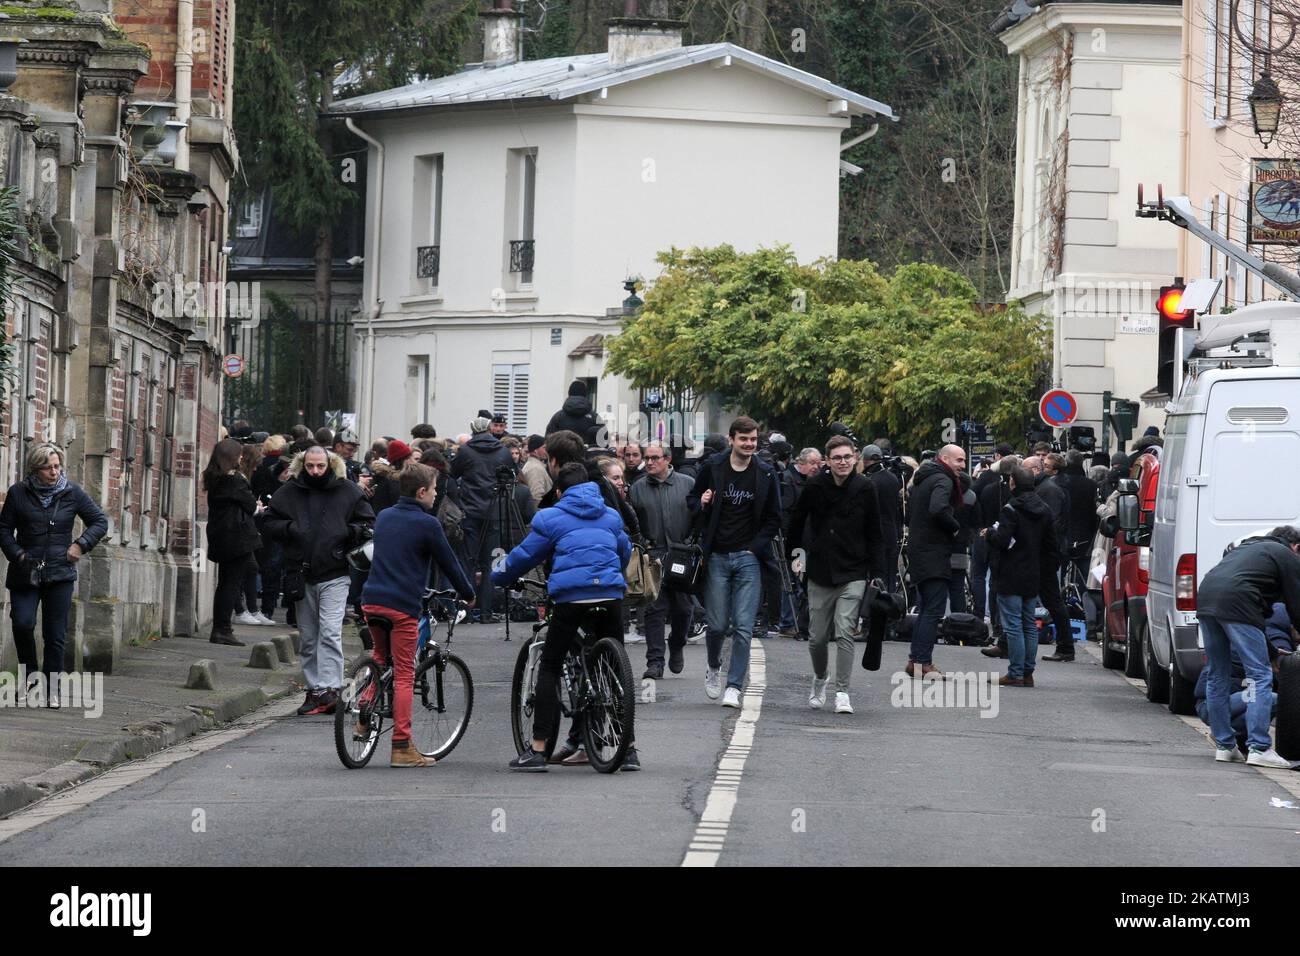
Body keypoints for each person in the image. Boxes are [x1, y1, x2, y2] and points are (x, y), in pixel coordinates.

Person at [493, 463, 633, 772]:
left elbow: (524, 556)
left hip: (571, 597)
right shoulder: (610, 515)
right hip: (610, 596)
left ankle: (539, 748)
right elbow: (625, 551)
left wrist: (499, 575)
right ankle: (628, 747)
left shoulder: (550, 518)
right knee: (611, 668)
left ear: (559, 492)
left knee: (551, 664)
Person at [360, 462, 476, 767]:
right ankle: (401, 746)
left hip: (372, 600)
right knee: (403, 673)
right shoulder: (428, 524)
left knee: (379, 657)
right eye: (435, 489)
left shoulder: (384, 516)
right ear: (422, 491)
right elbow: (449, 562)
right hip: (401, 606)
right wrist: (468, 593)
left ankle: (363, 714)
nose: (437, 495)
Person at [263, 446, 374, 716]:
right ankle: (316, 690)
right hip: (301, 573)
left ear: (330, 465)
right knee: (310, 637)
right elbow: (268, 521)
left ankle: (332, 688)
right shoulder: (289, 491)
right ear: (303, 465)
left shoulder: (347, 490)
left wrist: (347, 532)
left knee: (330, 632)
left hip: (335, 572)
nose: (315, 471)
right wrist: (291, 529)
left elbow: (368, 522)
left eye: (320, 466)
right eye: (310, 466)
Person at [0, 443, 108, 705]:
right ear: (35, 469)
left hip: (60, 572)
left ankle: (52, 689)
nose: (54, 472)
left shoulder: (72, 493)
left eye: (57, 466)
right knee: (23, 623)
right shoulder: (18, 493)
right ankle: (30, 676)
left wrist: (80, 545)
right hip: (26, 572)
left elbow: (100, 521)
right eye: (48, 467)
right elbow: (3, 530)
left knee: (55, 634)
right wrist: (19, 554)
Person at [688, 416, 782, 708]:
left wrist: (755, 548)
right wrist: (701, 502)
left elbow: (775, 517)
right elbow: (691, 500)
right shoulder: (713, 467)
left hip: (748, 558)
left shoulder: (765, 473)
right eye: (744, 439)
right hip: (716, 555)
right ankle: (714, 665)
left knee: (743, 627)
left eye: (753, 439)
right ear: (731, 440)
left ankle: (734, 685)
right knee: (717, 625)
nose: (749, 444)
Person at [788, 436, 885, 714]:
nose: (842, 462)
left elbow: (875, 533)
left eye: (847, 457)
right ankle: (820, 678)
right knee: (817, 637)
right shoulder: (815, 486)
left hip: (854, 570)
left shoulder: (866, 488)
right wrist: (795, 557)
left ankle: (842, 691)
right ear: (827, 461)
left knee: (845, 632)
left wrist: (878, 573)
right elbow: (795, 523)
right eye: (837, 458)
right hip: (819, 570)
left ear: (855, 458)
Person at [1198, 526, 1300, 768]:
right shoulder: (1285, 555)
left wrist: (1273, 652)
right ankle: (1259, 747)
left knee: (1217, 674)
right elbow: (1296, 603)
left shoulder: (1249, 549)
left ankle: (1225, 746)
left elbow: (1256, 618)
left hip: (1206, 599)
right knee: (1259, 675)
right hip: (1237, 602)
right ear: (1296, 547)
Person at [985, 463, 1058, 687]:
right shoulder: (1044, 509)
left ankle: (1015, 672)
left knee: (1013, 624)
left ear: (1012, 482)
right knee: (1029, 623)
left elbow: (1003, 541)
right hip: (1032, 572)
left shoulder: (1011, 509)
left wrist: (990, 533)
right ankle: (1027, 672)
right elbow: (1051, 545)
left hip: (1010, 571)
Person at [629, 440, 695, 679]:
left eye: (655, 458)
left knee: (683, 609)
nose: (649, 463)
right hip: (653, 556)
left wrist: (690, 543)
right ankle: (655, 662)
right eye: (647, 458)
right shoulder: (637, 488)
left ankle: (677, 644)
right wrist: (642, 546)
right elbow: (632, 520)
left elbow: (698, 515)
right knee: (653, 610)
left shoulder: (687, 484)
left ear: (667, 460)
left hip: (681, 556)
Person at [906, 444, 968, 678]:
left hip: (920, 549)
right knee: (932, 610)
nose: (962, 466)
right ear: (944, 458)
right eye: (959, 460)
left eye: (963, 461)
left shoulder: (923, 478)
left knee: (925, 609)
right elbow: (939, 508)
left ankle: (916, 660)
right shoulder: (944, 480)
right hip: (933, 552)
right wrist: (954, 527)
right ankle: (923, 662)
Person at [450, 416, 515, 621]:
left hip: (470, 511)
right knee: (492, 563)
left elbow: (453, 473)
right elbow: (512, 475)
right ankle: (487, 611)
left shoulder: (466, 451)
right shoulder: (503, 451)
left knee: (468, 561)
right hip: (495, 512)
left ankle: (466, 610)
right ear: (489, 429)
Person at [203, 439, 266, 643]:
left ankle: (221, 628)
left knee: (226, 583)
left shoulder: (214, 477)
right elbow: (251, 507)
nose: (241, 457)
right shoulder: (235, 480)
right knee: (231, 584)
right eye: (238, 454)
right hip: (237, 538)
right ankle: (223, 629)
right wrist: (258, 507)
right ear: (231, 457)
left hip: (221, 535)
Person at [863, 444, 903, 593]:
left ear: (866, 461)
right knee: (890, 575)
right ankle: (891, 607)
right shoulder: (892, 478)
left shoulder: (870, 481)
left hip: (876, 535)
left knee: (878, 577)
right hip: (891, 531)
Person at [545, 380, 602, 445]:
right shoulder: (595, 417)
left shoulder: (558, 417)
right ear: (585, 394)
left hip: (562, 453)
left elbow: (548, 440)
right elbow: (604, 439)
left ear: (569, 394)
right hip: (588, 454)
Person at [521, 435, 552, 506]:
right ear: (535, 450)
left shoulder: (534, 465)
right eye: (544, 448)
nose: (546, 450)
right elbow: (536, 497)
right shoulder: (535, 468)